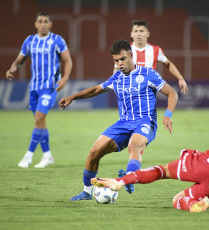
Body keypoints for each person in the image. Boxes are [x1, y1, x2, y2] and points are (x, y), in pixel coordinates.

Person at [91, 78, 209, 212]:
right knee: (179, 199)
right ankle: (192, 204)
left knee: (161, 171)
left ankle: (120, 182)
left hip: (207, 164)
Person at [59, 40, 178, 200]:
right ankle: (87, 192)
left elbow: (172, 93)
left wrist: (168, 114)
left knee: (134, 145)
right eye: (116, 60)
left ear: (131, 55)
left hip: (145, 122)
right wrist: (73, 97)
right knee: (94, 152)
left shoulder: (148, 74)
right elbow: (95, 89)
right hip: (123, 123)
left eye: (123, 59)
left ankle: (128, 178)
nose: (120, 63)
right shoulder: (116, 78)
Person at [6, 12, 73, 168]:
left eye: (46, 21)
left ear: (50, 24)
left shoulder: (57, 40)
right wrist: (12, 69)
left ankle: (28, 156)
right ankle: (48, 156)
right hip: (34, 88)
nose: (43, 24)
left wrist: (65, 78)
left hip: (50, 87)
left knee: (38, 119)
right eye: (40, 21)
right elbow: (19, 61)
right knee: (40, 123)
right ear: (36, 24)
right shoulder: (30, 41)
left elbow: (68, 60)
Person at [114, 20, 188, 95]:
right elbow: (117, 68)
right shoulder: (125, 50)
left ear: (148, 33)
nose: (138, 34)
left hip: (149, 92)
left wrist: (180, 78)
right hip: (130, 90)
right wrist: (116, 83)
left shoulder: (155, 50)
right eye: (136, 31)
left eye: (141, 31)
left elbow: (168, 64)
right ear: (132, 34)